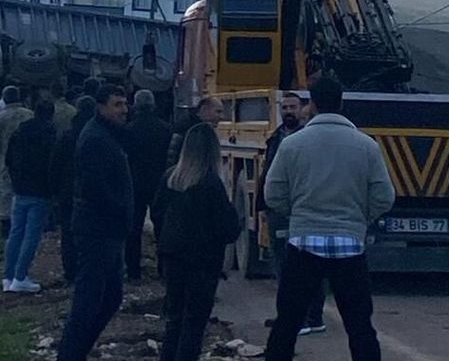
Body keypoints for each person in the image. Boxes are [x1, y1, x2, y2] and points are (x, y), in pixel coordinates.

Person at [264, 76, 396, 361]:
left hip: (303, 246)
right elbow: (384, 197)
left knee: (287, 324)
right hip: (350, 246)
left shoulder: (292, 144)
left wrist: (299, 215)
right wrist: (358, 220)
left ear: (311, 104)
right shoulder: (366, 146)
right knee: (360, 327)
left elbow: (272, 193)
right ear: (341, 103)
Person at [152, 123, 240, 361]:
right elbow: (229, 227)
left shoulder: (170, 178)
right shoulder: (211, 184)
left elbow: (157, 212)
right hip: (202, 262)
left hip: (172, 257)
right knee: (194, 323)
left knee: (174, 319)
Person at [58, 84, 132, 361]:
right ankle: (70, 354)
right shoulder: (95, 139)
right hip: (98, 231)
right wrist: (120, 209)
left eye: (125, 104)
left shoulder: (107, 135)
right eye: (117, 105)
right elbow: (95, 187)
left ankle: (76, 352)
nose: (124, 110)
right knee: (88, 302)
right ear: (100, 107)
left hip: (108, 230)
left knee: (110, 297)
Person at [257, 93, 326, 335]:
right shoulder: (275, 137)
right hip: (278, 211)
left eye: (293, 107)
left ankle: (311, 315)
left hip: (301, 211)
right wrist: (263, 207)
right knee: (281, 264)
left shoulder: (308, 139)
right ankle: (287, 314)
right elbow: (267, 174)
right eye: (284, 107)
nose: (288, 111)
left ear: (303, 109)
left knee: (306, 265)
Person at [2, 100, 57, 293]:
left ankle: (7, 277)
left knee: (15, 233)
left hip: (19, 188)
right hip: (40, 191)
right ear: (51, 114)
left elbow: (8, 159)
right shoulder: (50, 134)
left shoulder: (19, 133)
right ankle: (21, 276)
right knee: (31, 235)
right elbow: (52, 163)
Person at [125, 89, 172, 282]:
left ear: (135, 106)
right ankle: (163, 268)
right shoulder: (165, 128)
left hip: (135, 183)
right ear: (153, 105)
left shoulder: (128, 129)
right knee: (162, 226)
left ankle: (133, 270)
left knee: (133, 228)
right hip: (159, 183)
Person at [50, 96, 96, 284]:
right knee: (93, 234)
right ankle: (89, 270)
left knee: (68, 234)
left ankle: (70, 272)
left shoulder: (67, 136)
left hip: (67, 193)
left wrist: (55, 192)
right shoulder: (97, 135)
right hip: (92, 193)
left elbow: (55, 166)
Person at [0, 86, 33, 239]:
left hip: (5, 161)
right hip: (27, 162)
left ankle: (7, 233)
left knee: (5, 197)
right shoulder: (29, 115)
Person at [167, 97, 225, 166]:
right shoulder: (196, 132)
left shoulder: (185, 125)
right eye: (218, 112)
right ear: (204, 109)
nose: (222, 117)